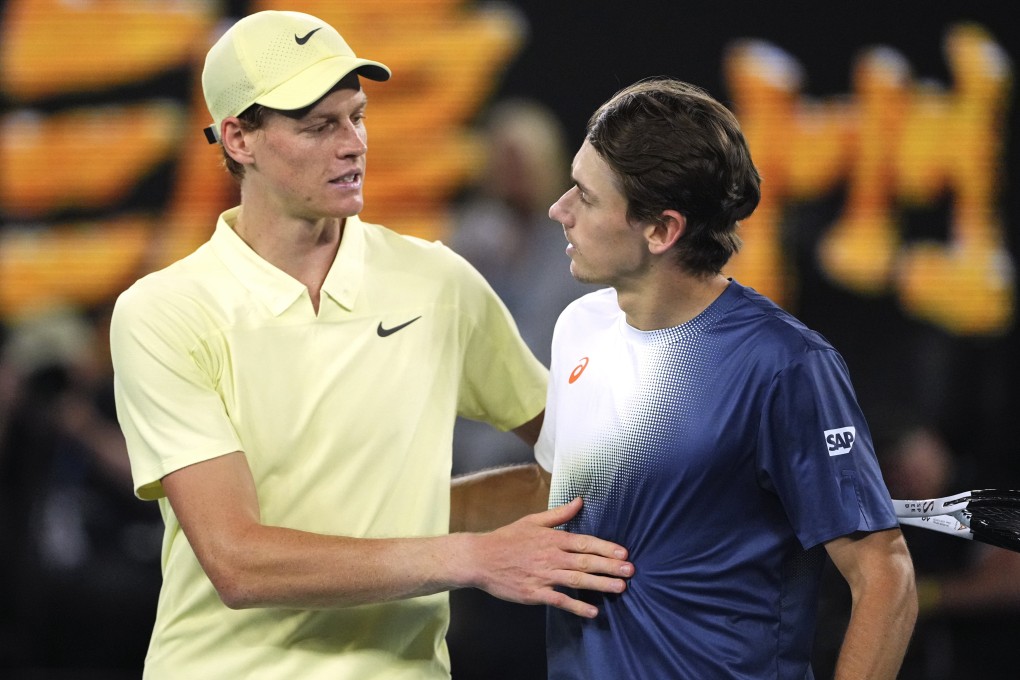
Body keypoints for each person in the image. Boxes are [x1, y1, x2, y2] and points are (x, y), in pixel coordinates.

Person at [108, 10, 633, 679]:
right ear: (239, 138)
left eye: (357, 116)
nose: (352, 143)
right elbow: (239, 561)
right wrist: (474, 556)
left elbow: (573, 462)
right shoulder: (163, 313)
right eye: (318, 126)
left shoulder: (437, 282)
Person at [533, 78, 918, 678]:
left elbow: (885, 579)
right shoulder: (577, 327)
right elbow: (559, 496)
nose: (559, 210)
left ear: (662, 230)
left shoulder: (786, 366)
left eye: (584, 195)